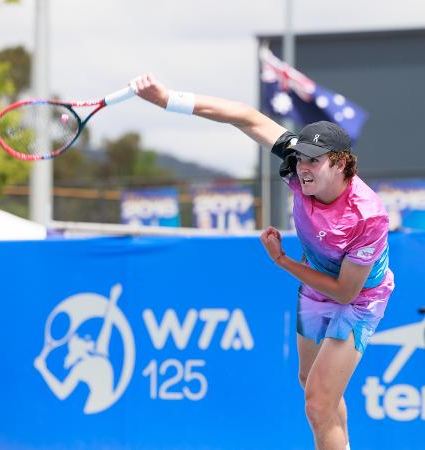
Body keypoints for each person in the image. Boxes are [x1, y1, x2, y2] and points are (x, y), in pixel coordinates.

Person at [132, 73, 394, 450]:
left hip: (358, 299)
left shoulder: (368, 215)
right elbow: (245, 116)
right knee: (311, 383)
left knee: (318, 403)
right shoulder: (298, 167)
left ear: (339, 164)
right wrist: (167, 98)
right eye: (300, 156)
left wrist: (283, 260)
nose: (303, 166)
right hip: (316, 283)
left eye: (314, 160)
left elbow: (346, 291)